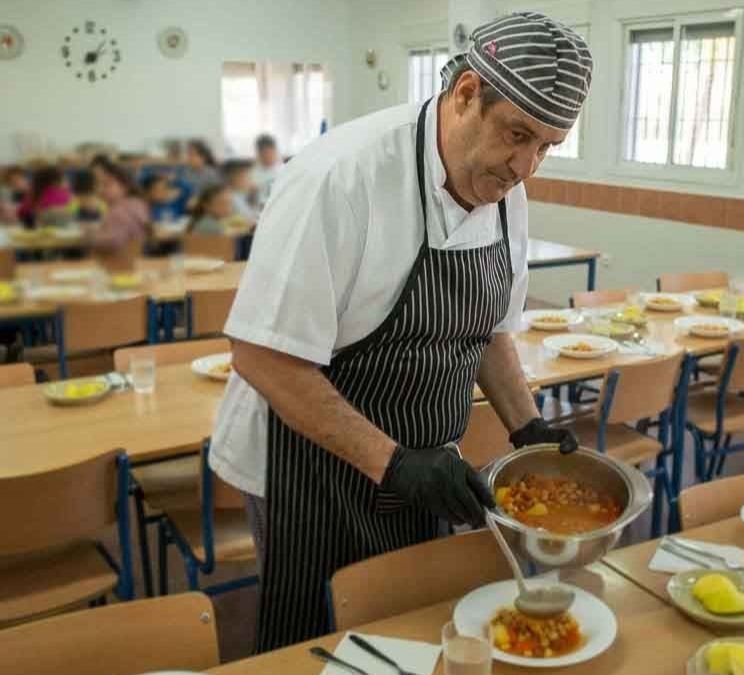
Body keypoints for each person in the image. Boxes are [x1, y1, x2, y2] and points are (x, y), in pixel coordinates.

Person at [210, 12, 591, 650]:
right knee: (318, 643)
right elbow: (261, 356)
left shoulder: (505, 188)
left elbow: (486, 329)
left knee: (409, 631)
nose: (527, 166)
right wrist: (393, 463)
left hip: (422, 468)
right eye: (518, 134)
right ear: (467, 93)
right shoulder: (341, 176)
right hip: (310, 470)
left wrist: (528, 425)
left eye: (548, 145)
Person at [91, 162, 148, 254]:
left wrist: (91, 236)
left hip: (119, 262)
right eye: (98, 184)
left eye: (106, 185)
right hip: (132, 260)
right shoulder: (137, 203)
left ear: (125, 186)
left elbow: (110, 244)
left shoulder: (120, 211)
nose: (100, 189)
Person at [222, 159, 260, 224]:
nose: (251, 181)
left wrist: (254, 196)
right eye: (248, 177)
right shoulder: (231, 198)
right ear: (233, 178)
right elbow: (249, 220)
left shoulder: (242, 193)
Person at [251, 134, 282, 209]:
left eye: (271, 153)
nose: (268, 156)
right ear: (258, 154)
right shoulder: (251, 174)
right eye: (265, 153)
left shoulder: (285, 170)